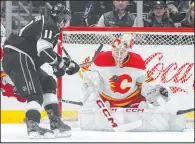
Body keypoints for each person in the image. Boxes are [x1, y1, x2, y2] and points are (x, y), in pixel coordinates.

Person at [2, 3, 80, 139]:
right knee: (35, 94)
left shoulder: (46, 22)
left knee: (48, 83)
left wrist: (62, 63)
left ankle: (55, 121)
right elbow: (44, 52)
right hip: (19, 57)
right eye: (65, 19)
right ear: (62, 18)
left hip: (24, 58)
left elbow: (43, 51)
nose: (65, 23)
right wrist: (61, 63)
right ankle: (33, 124)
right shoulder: (51, 25)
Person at [79, 34, 186, 132]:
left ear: (128, 51)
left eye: (123, 52)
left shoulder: (137, 60)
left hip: (132, 99)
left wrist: (156, 90)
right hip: (107, 99)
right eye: (116, 51)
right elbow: (88, 76)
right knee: (101, 125)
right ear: (112, 49)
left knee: (137, 123)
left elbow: (143, 83)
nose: (119, 55)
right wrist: (88, 82)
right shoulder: (101, 58)